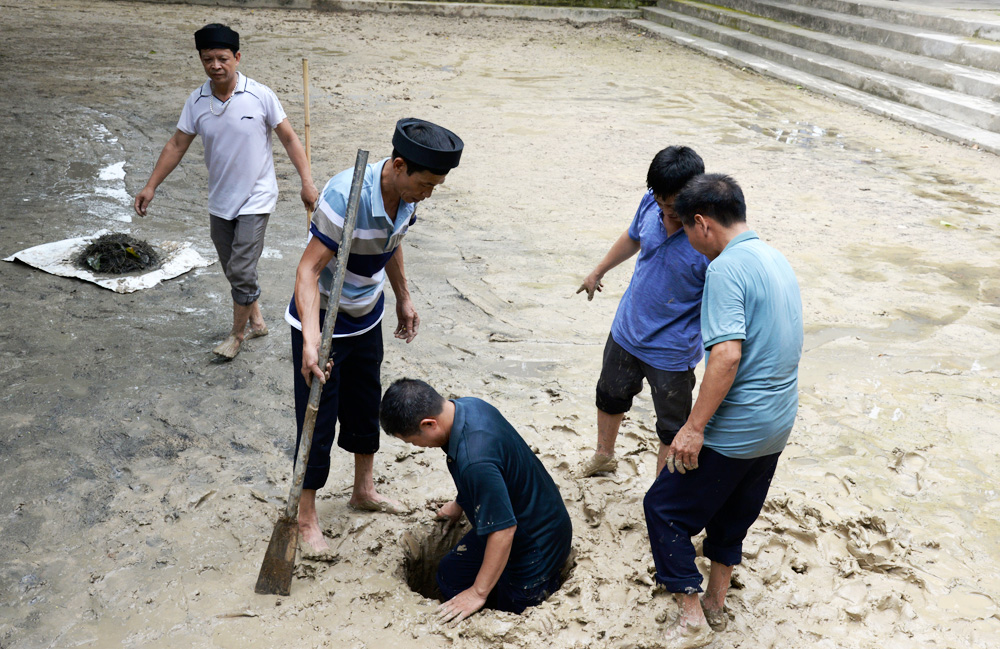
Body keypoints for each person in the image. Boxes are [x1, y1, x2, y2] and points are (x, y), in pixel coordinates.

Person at [643, 174, 803, 648]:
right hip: (777, 421)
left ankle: (691, 614)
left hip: (738, 426)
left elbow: (727, 356)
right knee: (734, 511)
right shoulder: (775, 258)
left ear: (702, 223)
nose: (690, 244)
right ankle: (717, 599)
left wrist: (693, 428)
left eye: (687, 232)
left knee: (663, 508)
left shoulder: (725, 270)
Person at [289, 118, 463, 553]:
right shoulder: (343, 197)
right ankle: (305, 516)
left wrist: (403, 297)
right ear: (399, 165)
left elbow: (392, 242)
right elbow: (307, 270)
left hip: (366, 314)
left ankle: (363, 490)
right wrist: (311, 342)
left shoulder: (406, 196)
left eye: (435, 186)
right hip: (323, 317)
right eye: (425, 183)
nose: (428, 193)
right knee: (318, 416)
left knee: (366, 403)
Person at [134, 23, 318, 360]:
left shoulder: (260, 95)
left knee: (241, 269)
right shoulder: (197, 101)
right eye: (208, 59)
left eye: (222, 58)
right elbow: (177, 144)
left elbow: (289, 138)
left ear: (237, 57)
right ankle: (257, 320)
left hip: (257, 197)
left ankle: (236, 334)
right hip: (220, 200)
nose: (215, 65)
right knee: (233, 266)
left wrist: (306, 181)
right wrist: (151, 185)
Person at [379, 378, 573, 622]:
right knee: (452, 574)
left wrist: (478, 593)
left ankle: (494, 597)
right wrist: (459, 503)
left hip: (537, 543)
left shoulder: (475, 460)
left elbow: (503, 532)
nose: (416, 446)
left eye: (411, 440)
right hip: (523, 511)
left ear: (429, 424)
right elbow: (495, 471)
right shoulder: (468, 407)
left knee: (512, 607)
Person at [576, 146, 708, 477]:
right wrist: (598, 271)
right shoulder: (651, 203)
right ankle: (604, 455)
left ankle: (662, 489)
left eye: (676, 205)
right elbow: (633, 237)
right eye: (662, 203)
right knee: (609, 396)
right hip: (627, 330)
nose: (667, 212)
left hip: (673, 350)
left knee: (671, 426)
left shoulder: (710, 237)